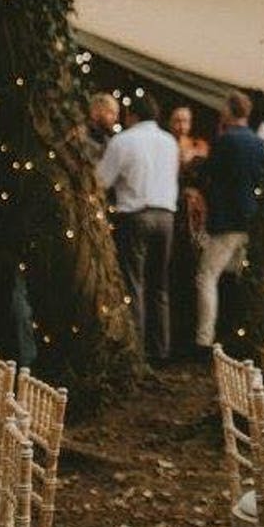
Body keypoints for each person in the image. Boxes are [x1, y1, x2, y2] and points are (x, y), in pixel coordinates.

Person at [100, 92, 180, 363]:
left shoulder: (123, 141)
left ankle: (136, 352)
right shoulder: (170, 142)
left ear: (131, 116)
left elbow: (102, 180)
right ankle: (161, 351)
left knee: (134, 285)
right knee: (160, 287)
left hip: (135, 216)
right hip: (167, 217)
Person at [193, 91, 264, 353]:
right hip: (250, 219)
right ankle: (237, 331)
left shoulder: (225, 142)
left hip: (226, 220)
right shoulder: (259, 144)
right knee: (237, 278)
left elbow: (207, 174)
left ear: (228, 111)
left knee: (207, 276)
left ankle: (204, 338)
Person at [84, 92, 122, 168]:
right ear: (96, 111)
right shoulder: (78, 135)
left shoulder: (110, 145)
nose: (115, 118)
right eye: (111, 113)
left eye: (116, 114)